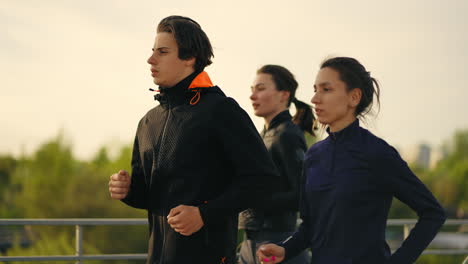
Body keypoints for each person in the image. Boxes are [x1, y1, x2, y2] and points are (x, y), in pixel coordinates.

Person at [108, 15, 279, 264]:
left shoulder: (221, 110)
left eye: (163, 52)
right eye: (153, 51)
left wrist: (204, 214)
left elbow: (263, 180)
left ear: (189, 58)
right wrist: (128, 191)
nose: (151, 59)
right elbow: (149, 197)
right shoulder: (148, 122)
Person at [256, 57, 446, 264]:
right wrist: (285, 249)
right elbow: (311, 226)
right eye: (315, 89)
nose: (314, 99)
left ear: (354, 97)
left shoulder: (376, 153)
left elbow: (432, 213)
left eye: (326, 89)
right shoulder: (314, 155)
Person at [238, 65, 315, 264]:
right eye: (252, 89)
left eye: (260, 89)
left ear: (284, 95)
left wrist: (252, 200)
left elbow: (302, 194)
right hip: (250, 243)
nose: (252, 96)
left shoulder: (287, 135)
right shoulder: (263, 135)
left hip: (277, 241)